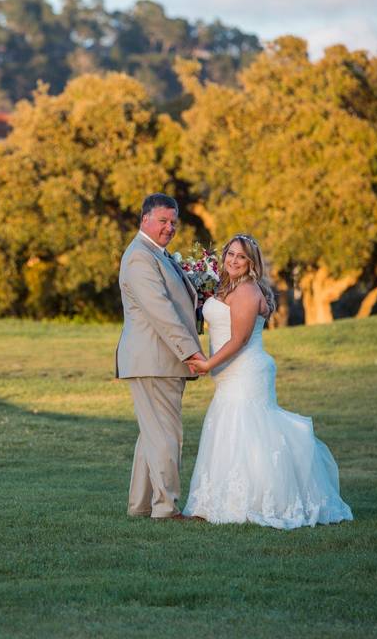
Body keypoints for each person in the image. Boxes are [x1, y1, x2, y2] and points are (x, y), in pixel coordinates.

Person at [183, 234, 354, 529]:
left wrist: (207, 364)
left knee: (246, 430)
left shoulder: (247, 290)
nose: (234, 260)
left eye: (241, 257)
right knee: (228, 428)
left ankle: (258, 501)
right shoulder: (224, 286)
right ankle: (215, 501)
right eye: (230, 254)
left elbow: (240, 339)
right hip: (228, 373)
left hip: (247, 370)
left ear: (252, 263)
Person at [116, 193, 205, 520]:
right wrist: (192, 353)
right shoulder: (140, 257)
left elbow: (176, 302)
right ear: (145, 220)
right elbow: (162, 312)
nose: (169, 228)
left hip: (159, 360)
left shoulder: (158, 254)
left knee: (152, 437)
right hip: (155, 360)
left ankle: (140, 507)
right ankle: (166, 509)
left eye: (173, 223)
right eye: (163, 221)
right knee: (167, 436)